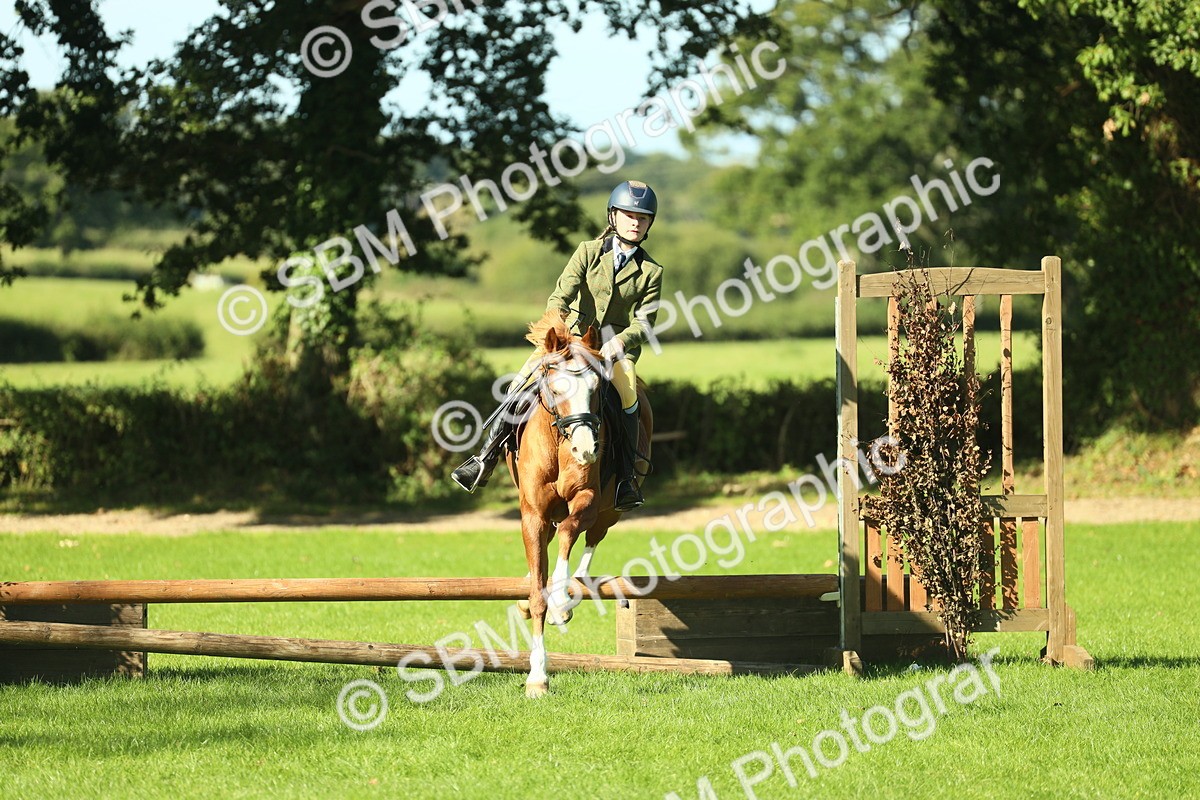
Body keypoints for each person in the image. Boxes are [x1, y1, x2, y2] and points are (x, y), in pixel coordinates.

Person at [451, 179, 663, 511]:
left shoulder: (651, 271)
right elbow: (560, 296)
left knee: (629, 399)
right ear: (613, 217)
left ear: (650, 223)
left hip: (613, 350)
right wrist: (558, 331)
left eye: (643, 218)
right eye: (628, 215)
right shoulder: (588, 252)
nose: (635, 223)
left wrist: (619, 341)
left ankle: (625, 480)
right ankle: (485, 458)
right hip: (570, 342)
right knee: (520, 381)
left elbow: (645, 321)